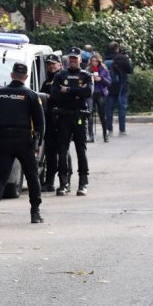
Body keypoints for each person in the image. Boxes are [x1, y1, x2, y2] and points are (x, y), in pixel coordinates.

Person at [0, 62, 45, 225]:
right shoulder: (31, 95)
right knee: (32, 175)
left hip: (4, 140)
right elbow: (40, 122)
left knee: (1, 176)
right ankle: (35, 213)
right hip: (25, 141)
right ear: (25, 77)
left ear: (11, 75)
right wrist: (39, 141)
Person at [51, 47, 92, 196]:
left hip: (79, 117)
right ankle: (63, 183)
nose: (73, 60)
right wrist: (76, 93)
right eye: (71, 58)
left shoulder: (86, 75)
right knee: (62, 150)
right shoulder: (60, 75)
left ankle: (83, 183)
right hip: (64, 116)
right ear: (67, 59)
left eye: (76, 58)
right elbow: (55, 94)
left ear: (80, 59)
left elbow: (88, 93)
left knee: (81, 149)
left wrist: (67, 90)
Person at [39, 53, 62, 191]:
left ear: (60, 65)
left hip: (61, 119)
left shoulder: (63, 78)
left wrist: (51, 97)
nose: (51, 66)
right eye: (49, 64)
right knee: (50, 152)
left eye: (54, 64)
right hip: (49, 120)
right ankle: (50, 181)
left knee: (63, 152)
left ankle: (65, 182)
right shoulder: (47, 81)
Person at [104, 41, 134, 136]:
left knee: (109, 109)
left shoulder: (104, 58)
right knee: (122, 108)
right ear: (117, 48)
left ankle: (109, 130)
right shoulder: (122, 57)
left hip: (108, 86)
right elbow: (130, 70)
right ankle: (122, 130)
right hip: (122, 86)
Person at [88, 52, 112, 142]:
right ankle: (90, 135)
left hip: (100, 93)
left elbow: (109, 82)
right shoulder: (88, 69)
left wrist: (101, 79)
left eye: (96, 61)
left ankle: (105, 135)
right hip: (91, 94)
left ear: (99, 61)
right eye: (93, 61)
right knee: (89, 114)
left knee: (102, 115)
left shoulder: (104, 70)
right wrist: (90, 79)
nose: (94, 63)